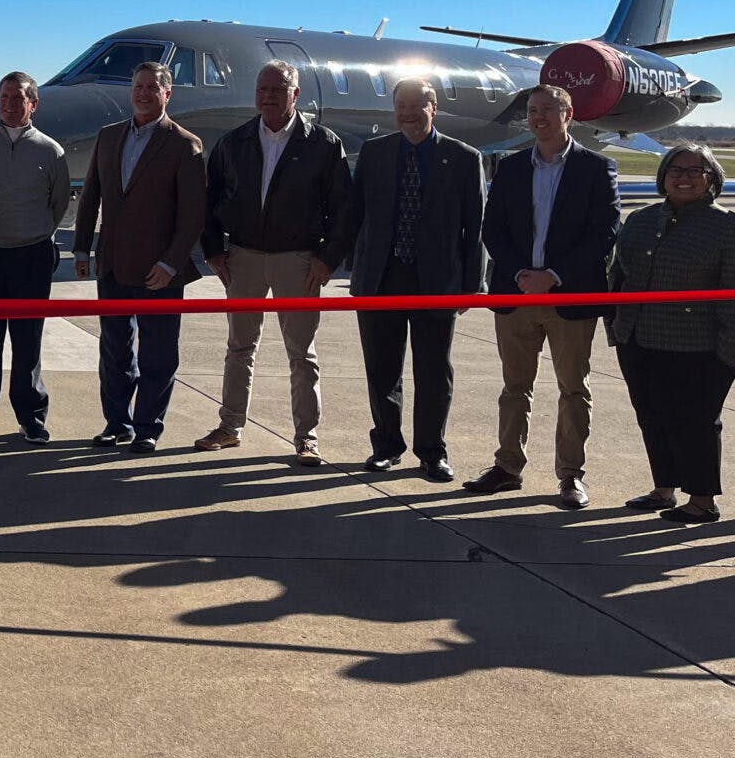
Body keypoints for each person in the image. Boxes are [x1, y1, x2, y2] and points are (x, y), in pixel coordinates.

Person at [464, 83, 618, 507]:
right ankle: (507, 466)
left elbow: (604, 233)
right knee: (515, 387)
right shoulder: (511, 169)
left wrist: (552, 275)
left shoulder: (596, 168)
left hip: (569, 299)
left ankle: (570, 476)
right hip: (516, 296)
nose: (539, 118)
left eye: (549, 110)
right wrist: (521, 273)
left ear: (568, 115)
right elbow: (492, 228)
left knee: (573, 389)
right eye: (533, 110)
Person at [199, 60, 354, 465]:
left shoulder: (322, 143)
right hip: (243, 258)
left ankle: (307, 436)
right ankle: (230, 426)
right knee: (239, 347)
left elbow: (343, 208)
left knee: (302, 353)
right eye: (262, 89)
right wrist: (214, 249)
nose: (268, 96)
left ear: (295, 95)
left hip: (299, 260)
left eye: (277, 89)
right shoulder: (234, 143)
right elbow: (209, 200)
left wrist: (327, 258)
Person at [608, 143, 735, 523]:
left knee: (695, 421)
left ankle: (703, 499)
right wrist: (617, 328)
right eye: (676, 169)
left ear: (712, 180)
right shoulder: (640, 220)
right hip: (638, 338)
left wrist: (730, 350)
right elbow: (618, 277)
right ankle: (664, 488)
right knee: (652, 416)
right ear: (663, 176)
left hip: (699, 346)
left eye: (696, 171)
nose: (684, 176)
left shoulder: (731, 228)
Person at [347, 78, 485, 482]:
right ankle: (386, 446)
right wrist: (349, 268)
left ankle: (432, 452)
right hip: (381, 278)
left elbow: (474, 227)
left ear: (433, 107)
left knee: (432, 371)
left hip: (437, 281)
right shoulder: (375, 153)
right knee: (381, 369)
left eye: (416, 104)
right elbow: (355, 214)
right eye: (400, 105)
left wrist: (472, 285)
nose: (407, 112)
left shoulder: (462, 157)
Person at [71, 61, 204, 454]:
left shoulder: (184, 144)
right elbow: (91, 195)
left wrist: (170, 263)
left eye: (152, 87)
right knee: (114, 348)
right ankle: (117, 422)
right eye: (138, 86)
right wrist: (82, 248)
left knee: (158, 353)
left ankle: (148, 427)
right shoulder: (109, 136)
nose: (143, 93)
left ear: (167, 94)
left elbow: (193, 215)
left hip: (159, 271)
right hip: (112, 263)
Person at [0, 72, 73, 444]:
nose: (9, 104)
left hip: (31, 256)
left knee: (28, 340)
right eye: (4, 97)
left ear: (33, 104)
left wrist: (33, 233)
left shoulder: (50, 151)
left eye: (18, 98)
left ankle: (31, 416)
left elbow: (57, 205)